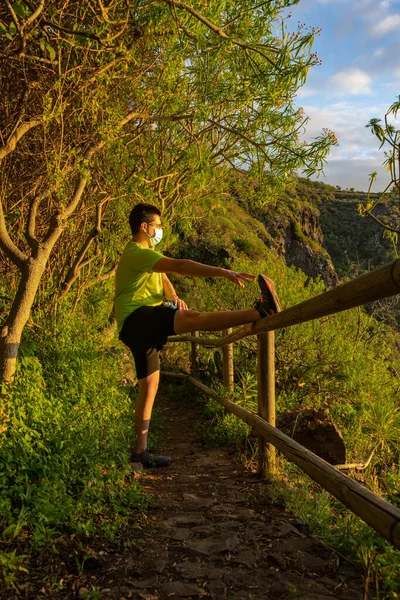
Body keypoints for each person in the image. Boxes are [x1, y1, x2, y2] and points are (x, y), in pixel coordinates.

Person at [115, 203, 281, 468]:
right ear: (145, 227)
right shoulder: (136, 252)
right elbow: (181, 265)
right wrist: (224, 272)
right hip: (137, 317)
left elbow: (165, 276)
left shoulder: (145, 255)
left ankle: (139, 453)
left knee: (149, 388)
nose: (161, 230)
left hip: (133, 324)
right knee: (193, 318)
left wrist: (174, 297)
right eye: (157, 226)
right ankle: (260, 311)